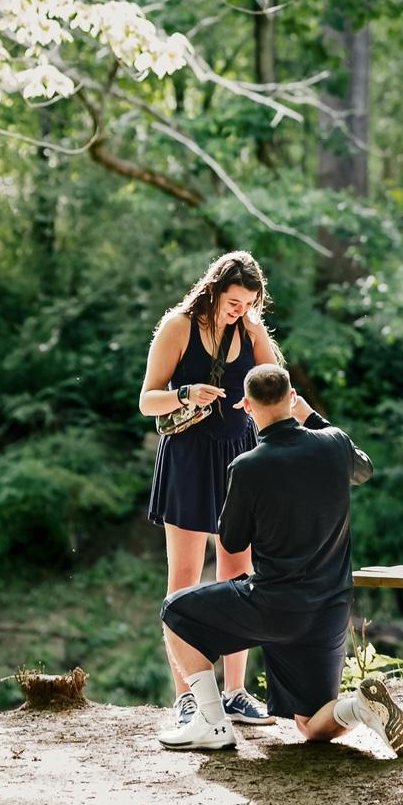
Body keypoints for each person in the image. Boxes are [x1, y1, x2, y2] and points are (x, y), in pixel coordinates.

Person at [156, 362, 403, 756]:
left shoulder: (248, 466)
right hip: (330, 609)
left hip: (273, 607)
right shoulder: (334, 443)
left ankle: (211, 721)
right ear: (292, 398)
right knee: (311, 725)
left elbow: (232, 541)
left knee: (174, 611)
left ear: (246, 406)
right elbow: (364, 468)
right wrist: (311, 416)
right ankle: (359, 708)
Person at [139, 250, 281, 730]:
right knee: (183, 580)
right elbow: (146, 401)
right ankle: (187, 697)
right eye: (233, 302)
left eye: (249, 304)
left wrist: (258, 335)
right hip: (188, 458)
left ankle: (235, 692)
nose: (239, 311)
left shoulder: (250, 331)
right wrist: (185, 393)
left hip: (239, 457)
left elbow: (277, 388)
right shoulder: (177, 327)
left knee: (238, 578)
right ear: (214, 290)